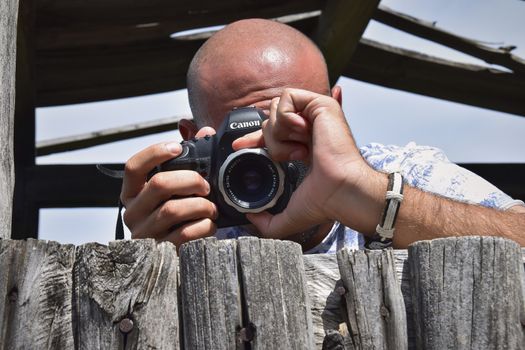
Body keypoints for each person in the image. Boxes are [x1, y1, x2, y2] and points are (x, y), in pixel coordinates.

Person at [120, 19, 525, 252]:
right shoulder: (187, 218)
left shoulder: (397, 173)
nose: (271, 153)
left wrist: (367, 195)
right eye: (239, 137)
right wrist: (148, 261)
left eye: (290, 122)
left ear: (335, 109)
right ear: (195, 139)